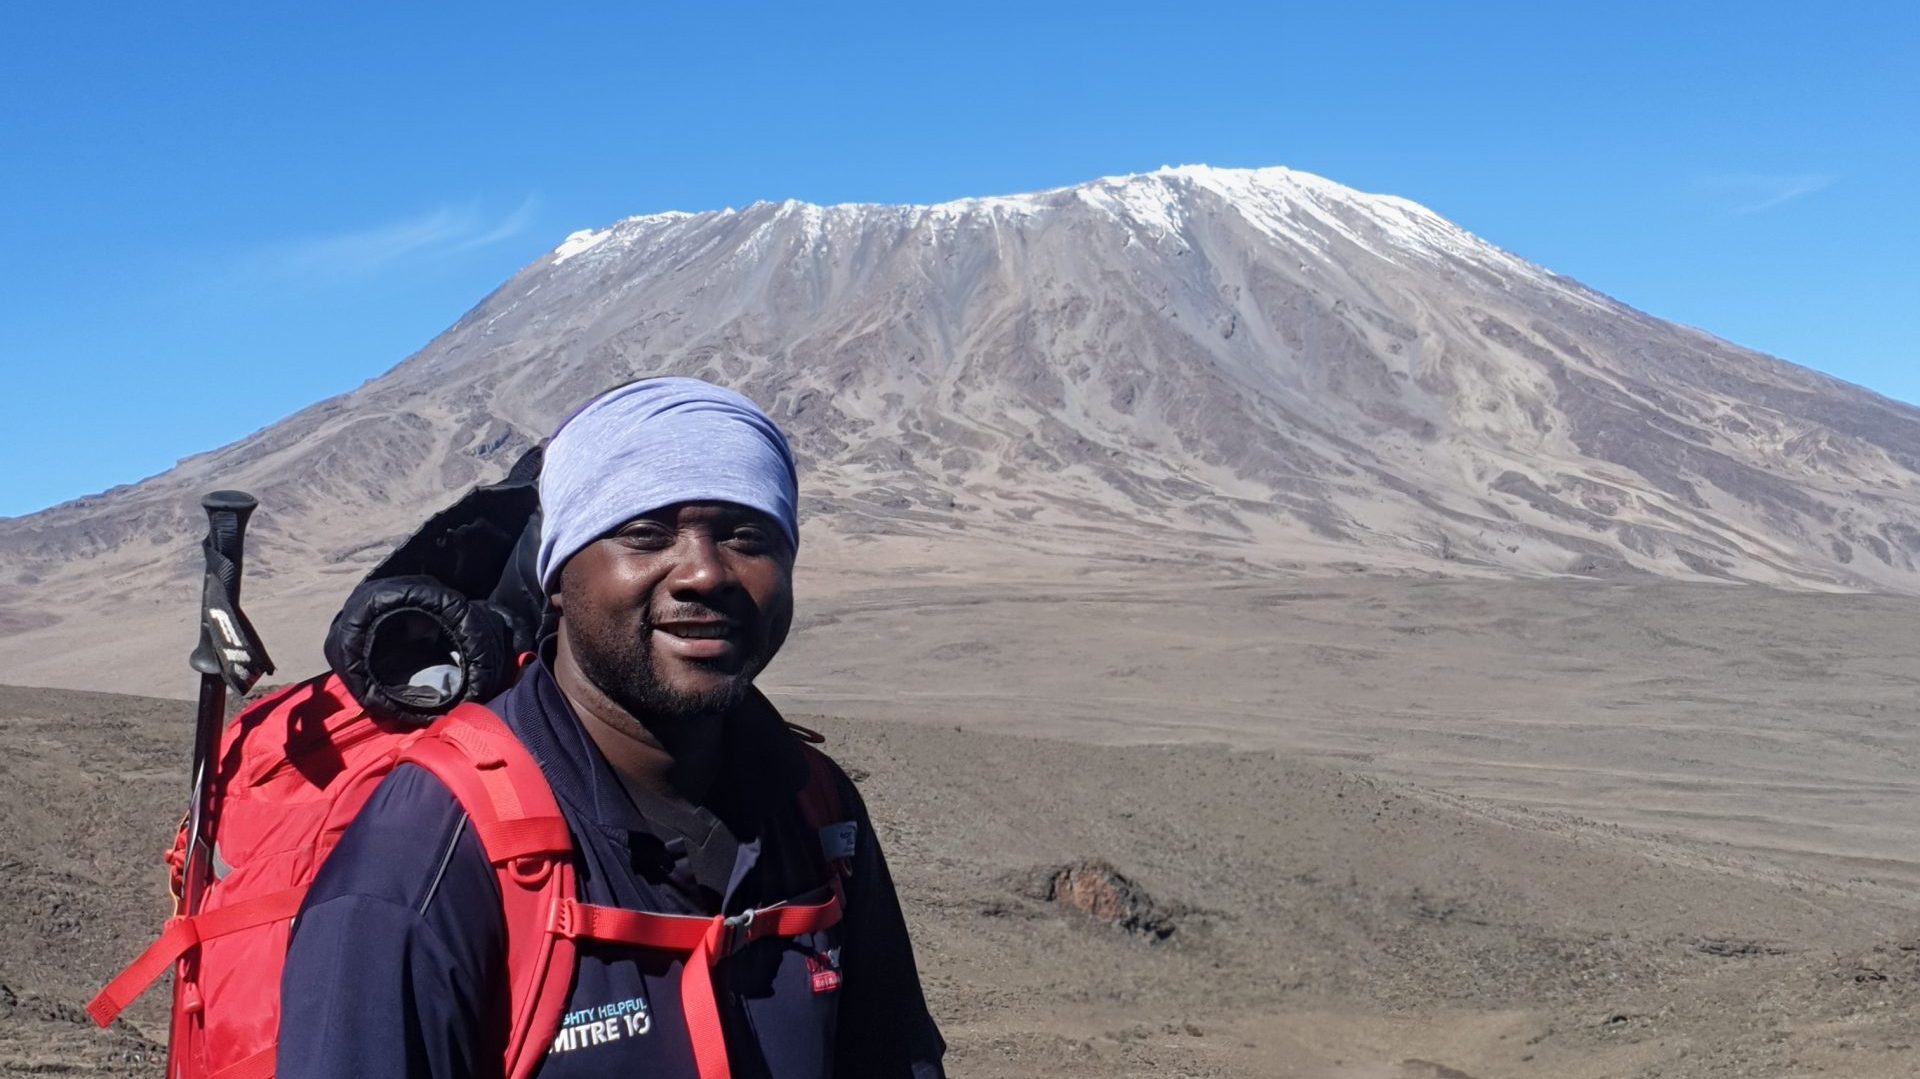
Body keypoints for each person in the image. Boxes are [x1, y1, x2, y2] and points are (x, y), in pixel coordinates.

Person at [278, 377, 946, 1078]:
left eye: (747, 536)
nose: (704, 571)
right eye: (645, 533)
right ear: (559, 579)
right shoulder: (428, 850)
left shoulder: (816, 807)